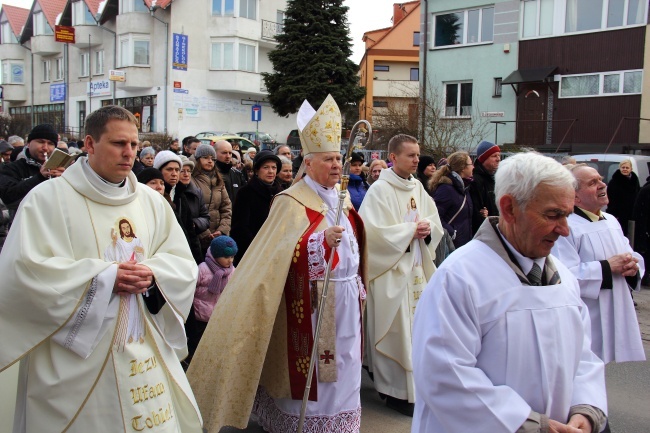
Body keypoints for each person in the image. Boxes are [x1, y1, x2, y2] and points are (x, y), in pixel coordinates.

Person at [0, 105, 203, 432]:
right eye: (118, 143)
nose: (129, 153)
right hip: (78, 354)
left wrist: (153, 274)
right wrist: (105, 278)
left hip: (142, 343)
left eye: (134, 145)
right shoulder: (48, 199)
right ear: (90, 144)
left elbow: (181, 262)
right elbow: (23, 272)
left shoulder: (150, 202)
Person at [187, 95, 366, 433]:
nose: (337, 166)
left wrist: (357, 282)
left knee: (346, 365)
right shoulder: (290, 201)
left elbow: (357, 248)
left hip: (346, 303)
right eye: (328, 160)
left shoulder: (344, 201)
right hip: (312, 305)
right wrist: (318, 243)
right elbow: (281, 255)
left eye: (339, 159)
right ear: (308, 163)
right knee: (317, 374)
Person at [411, 152, 607, 433]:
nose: (565, 230)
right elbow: (444, 375)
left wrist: (586, 412)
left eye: (568, 215)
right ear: (509, 209)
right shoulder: (460, 277)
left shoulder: (564, 277)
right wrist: (527, 424)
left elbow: (584, 358)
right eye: (553, 215)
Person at [358, 134, 443, 416]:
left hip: (416, 269)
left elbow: (433, 220)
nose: (417, 160)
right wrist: (410, 231)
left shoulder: (417, 186)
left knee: (417, 333)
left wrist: (427, 229)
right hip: (391, 273)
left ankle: (416, 389)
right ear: (393, 158)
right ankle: (396, 392)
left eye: (418, 155)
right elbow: (371, 234)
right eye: (410, 155)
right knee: (397, 334)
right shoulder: (380, 190)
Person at [552, 165, 645, 365]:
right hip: (588, 312)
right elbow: (563, 275)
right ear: (574, 196)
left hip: (616, 305)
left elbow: (630, 253)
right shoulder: (567, 227)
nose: (602, 185)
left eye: (600, 179)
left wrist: (633, 266)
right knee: (584, 368)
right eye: (592, 183)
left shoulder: (611, 220)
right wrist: (606, 267)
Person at [0, 124, 63, 224]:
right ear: (28, 143)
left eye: (50, 143)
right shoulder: (12, 168)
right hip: (24, 228)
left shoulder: (62, 169)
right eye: (40, 142)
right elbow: (9, 200)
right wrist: (39, 177)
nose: (45, 148)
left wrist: (65, 180)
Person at [230, 150, 283, 266]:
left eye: (274, 168)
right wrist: (259, 247)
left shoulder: (280, 193)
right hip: (253, 252)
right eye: (266, 167)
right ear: (257, 170)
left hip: (277, 251)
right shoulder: (245, 193)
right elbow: (240, 228)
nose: (271, 171)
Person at [154, 150, 206, 265]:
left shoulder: (180, 194)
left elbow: (190, 232)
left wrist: (198, 262)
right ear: (159, 171)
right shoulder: (154, 195)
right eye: (169, 169)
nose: (174, 173)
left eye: (177, 170)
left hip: (183, 256)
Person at [192, 235, 237, 351]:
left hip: (219, 314)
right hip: (201, 314)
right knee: (198, 341)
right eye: (226, 257)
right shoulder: (202, 269)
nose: (230, 260)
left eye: (232, 256)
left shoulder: (232, 270)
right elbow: (192, 288)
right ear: (216, 255)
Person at [192, 144, 232, 251]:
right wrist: (205, 233)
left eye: (213, 159)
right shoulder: (192, 180)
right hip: (199, 238)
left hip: (218, 237)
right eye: (205, 158)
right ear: (197, 159)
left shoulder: (218, 181)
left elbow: (226, 207)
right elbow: (191, 212)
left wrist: (222, 230)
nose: (210, 161)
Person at [430, 151, 474, 248]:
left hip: (462, 244)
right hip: (451, 246)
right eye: (471, 164)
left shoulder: (464, 187)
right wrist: (452, 233)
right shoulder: (446, 189)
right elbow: (434, 215)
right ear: (463, 168)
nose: (473, 167)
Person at [469, 140, 500, 235]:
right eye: (494, 156)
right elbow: (477, 213)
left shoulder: (494, 179)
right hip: (484, 233)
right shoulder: (476, 181)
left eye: (499, 155)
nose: (498, 159)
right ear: (483, 159)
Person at [606, 159, 640, 237]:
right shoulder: (614, 181)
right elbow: (610, 199)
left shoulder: (635, 180)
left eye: (627, 168)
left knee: (632, 235)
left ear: (631, 169)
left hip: (632, 214)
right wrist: (614, 214)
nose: (625, 169)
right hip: (619, 214)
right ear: (619, 168)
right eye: (623, 167)